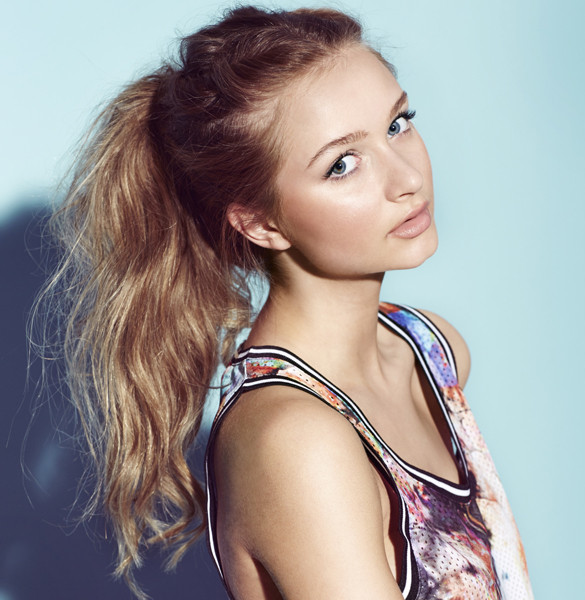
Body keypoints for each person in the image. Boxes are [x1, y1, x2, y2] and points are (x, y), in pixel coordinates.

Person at [39, 5, 533, 599]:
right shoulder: (294, 441)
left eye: (398, 124)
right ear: (261, 222)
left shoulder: (431, 350)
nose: (407, 179)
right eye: (342, 165)